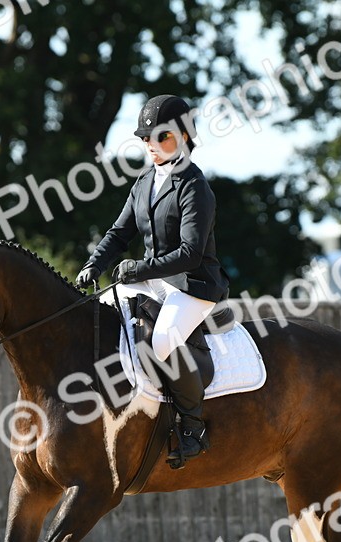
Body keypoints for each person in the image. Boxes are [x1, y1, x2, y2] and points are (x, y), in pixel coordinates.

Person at [76, 94, 230, 469]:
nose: (151, 145)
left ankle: (193, 428)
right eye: (146, 139)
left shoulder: (195, 187)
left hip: (193, 285)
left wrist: (139, 270)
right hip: (155, 279)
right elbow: (119, 232)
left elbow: (191, 252)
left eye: (160, 137)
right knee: (104, 311)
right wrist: (93, 265)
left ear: (183, 137)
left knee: (161, 340)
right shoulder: (145, 181)